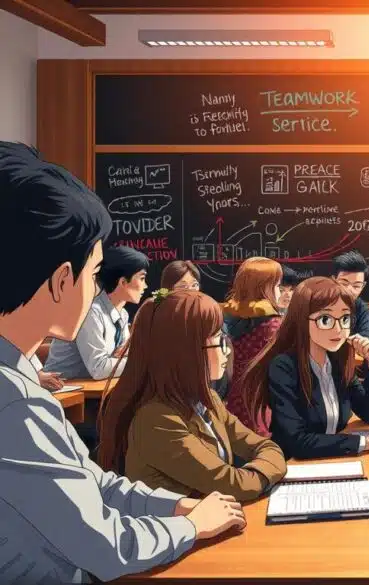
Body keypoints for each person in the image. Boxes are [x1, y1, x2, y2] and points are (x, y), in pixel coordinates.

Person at [0, 141, 243, 583]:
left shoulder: (19, 379)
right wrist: (191, 526)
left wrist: (175, 506)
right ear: (61, 279)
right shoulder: (15, 403)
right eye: (95, 275)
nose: (96, 289)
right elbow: (105, 545)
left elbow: (93, 483)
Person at [97, 289, 286, 502]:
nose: (227, 350)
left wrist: (260, 469)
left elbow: (265, 446)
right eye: (218, 340)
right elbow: (233, 485)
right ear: (185, 351)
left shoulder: (208, 400)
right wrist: (268, 470)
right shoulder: (156, 420)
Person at [242, 277, 369, 459]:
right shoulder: (284, 367)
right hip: (295, 464)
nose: (338, 329)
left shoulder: (337, 361)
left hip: (333, 458)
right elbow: (297, 442)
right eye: (325, 319)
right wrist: (364, 443)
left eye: (345, 318)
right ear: (301, 319)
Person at [46, 245, 149, 380]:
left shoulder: (122, 314)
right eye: (142, 278)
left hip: (92, 386)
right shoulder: (90, 312)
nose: (145, 286)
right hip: (65, 388)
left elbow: (122, 355)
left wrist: (127, 356)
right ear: (123, 282)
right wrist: (141, 361)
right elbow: (99, 369)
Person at [222, 256, 284, 436]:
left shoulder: (229, 318)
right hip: (263, 403)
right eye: (277, 286)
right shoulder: (273, 326)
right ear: (264, 288)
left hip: (235, 400)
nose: (280, 292)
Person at [331, 250, 369, 339]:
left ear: (363, 286)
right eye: (344, 283)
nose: (349, 290)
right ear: (333, 280)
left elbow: (366, 338)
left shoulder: (362, 309)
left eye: (356, 286)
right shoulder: (319, 304)